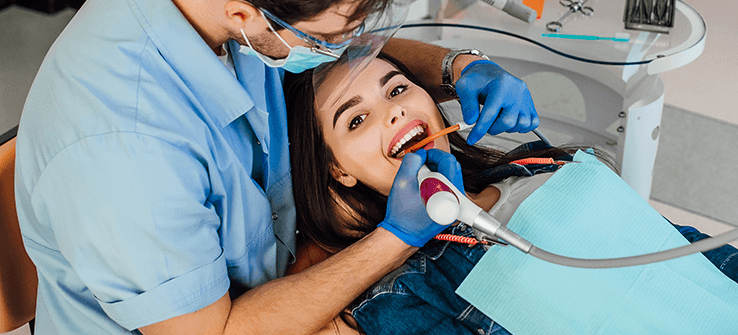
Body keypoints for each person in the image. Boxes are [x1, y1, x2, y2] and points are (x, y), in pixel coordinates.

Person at [13, 0, 542, 334]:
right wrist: (396, 238)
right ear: (244, 14)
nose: (357, 46)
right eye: (334, 37)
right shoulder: (125, 144)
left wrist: (455, 67)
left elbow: (343, 52)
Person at [283, 54, 738, 335]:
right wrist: (392, 236)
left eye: (398, 88)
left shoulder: (539, 163)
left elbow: (687, 250)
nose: (394, 109)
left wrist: (462, 63)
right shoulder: (398, 295)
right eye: (356, 120)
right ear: (337, 170)